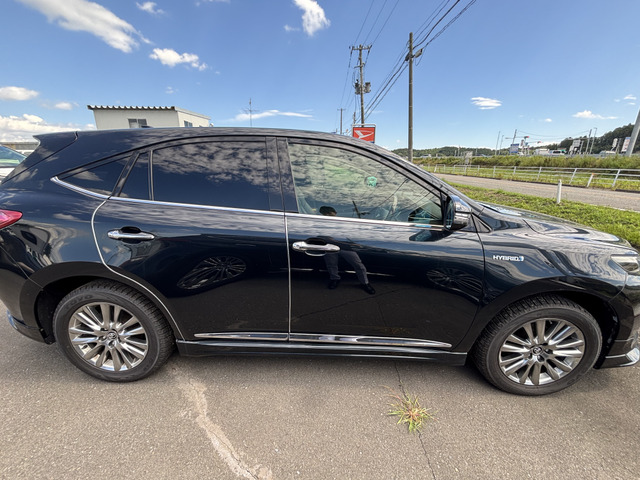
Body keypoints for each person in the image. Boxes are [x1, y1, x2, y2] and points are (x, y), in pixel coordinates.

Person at [319, 206, 375, 295]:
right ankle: (335, 279)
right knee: (331, 264)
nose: (328, 215)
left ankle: (365, 283)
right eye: (325, 214)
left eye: (329, 213)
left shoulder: (343, 222)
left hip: (345, 247)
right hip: (330, 246)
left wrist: (354, 243)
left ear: (335, 213)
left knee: (358, 265)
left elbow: (352, 234)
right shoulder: (321, 224)